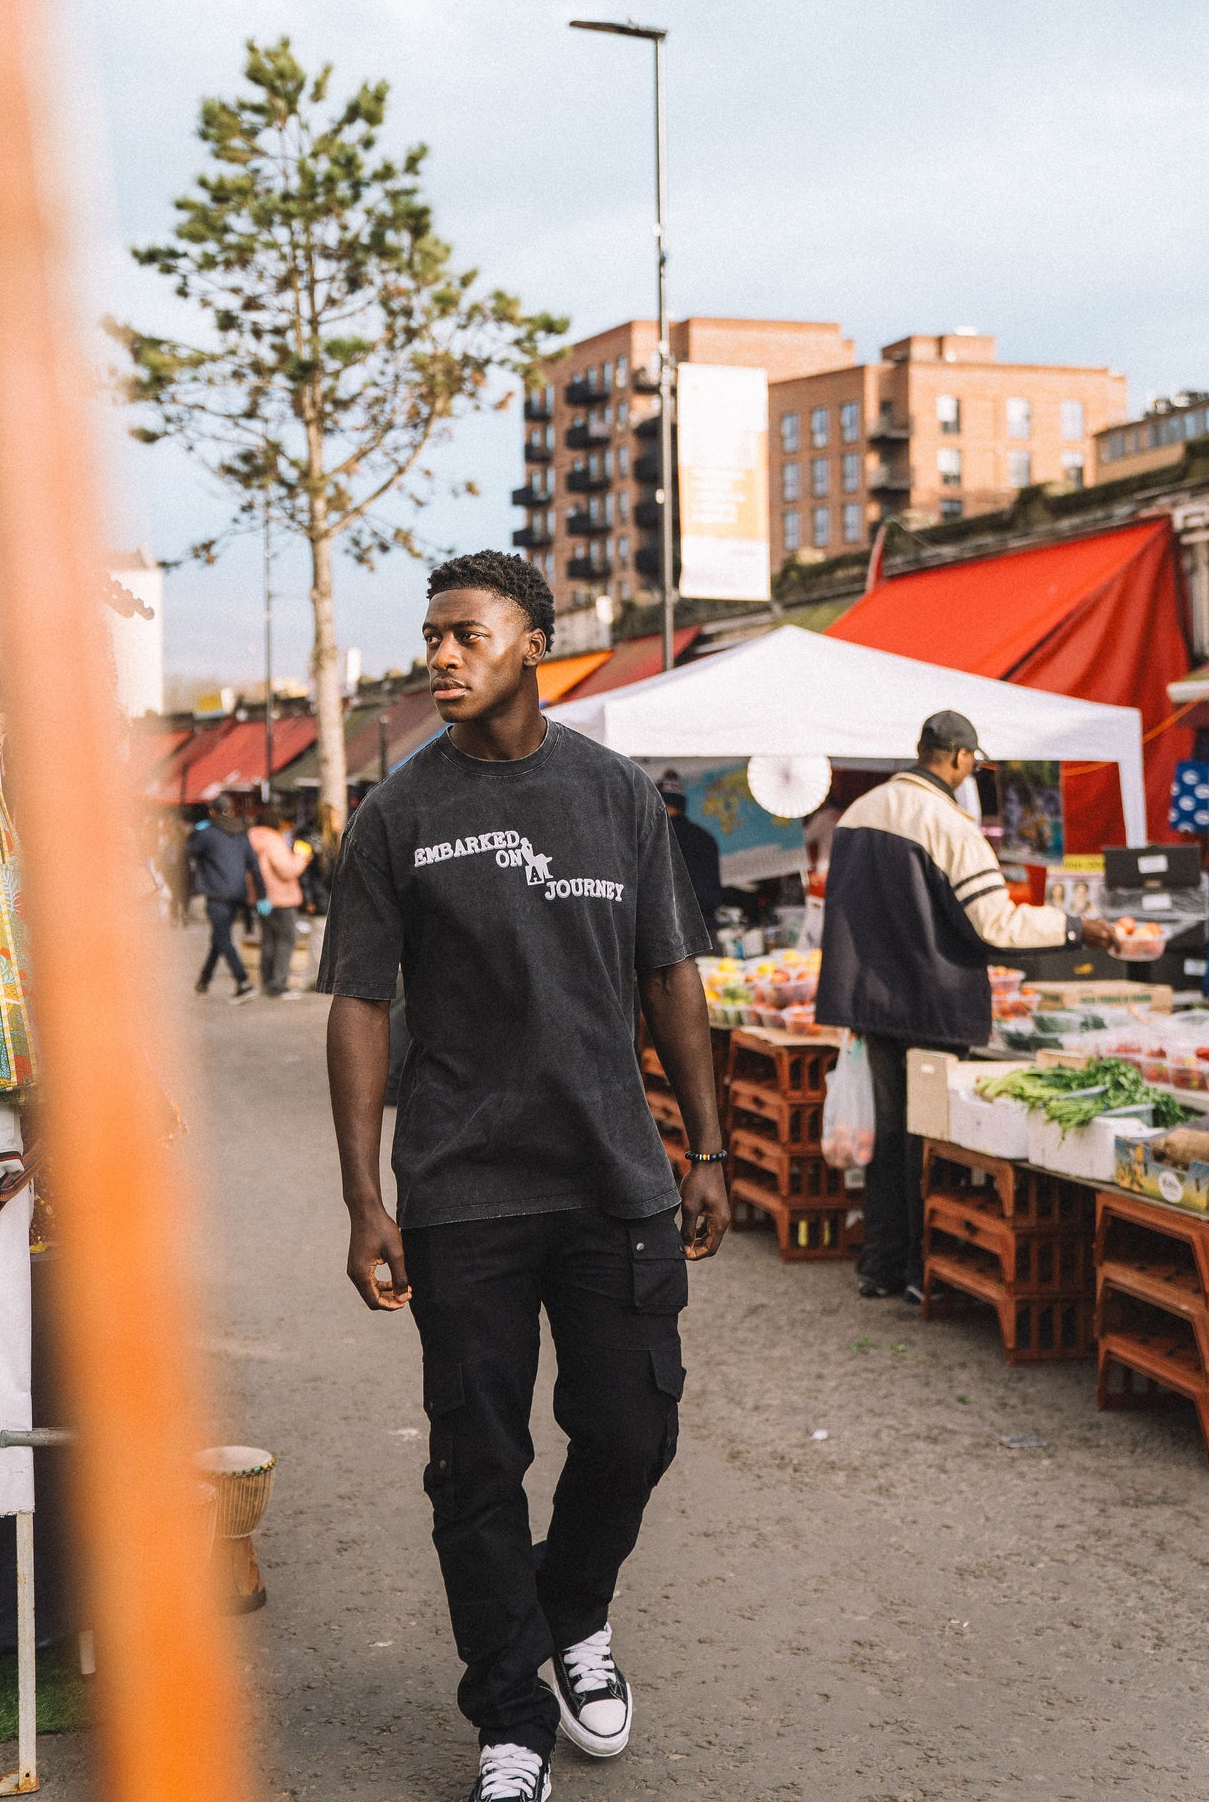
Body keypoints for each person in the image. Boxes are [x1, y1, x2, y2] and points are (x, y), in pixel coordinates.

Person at [320, 549, 729, 1802]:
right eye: (428, 636)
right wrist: (365, 1194)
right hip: (461, 1190)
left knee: (629, 1427)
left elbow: (669, 974)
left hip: (615, 1177)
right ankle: (508, 1710)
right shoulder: (395, 815)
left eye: (465, 632)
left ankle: (571, 1609)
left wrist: (705, 1148)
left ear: (531, 640)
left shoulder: (614, 797)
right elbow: (356, 1005)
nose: (439, 654)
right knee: (475, 1461)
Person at [816, 709, 1116, 1301]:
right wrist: (1080, 928)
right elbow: (996, 924)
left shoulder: (860, 812)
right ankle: (920, 1272)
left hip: (873, 1005)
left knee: (887, 1140)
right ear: (957, 758)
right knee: (924, 1143)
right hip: (933, 1002)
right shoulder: (949, 826)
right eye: (972, 764)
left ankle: (880, 1265)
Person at [187, 798, 265, 1001]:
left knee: (222, 938)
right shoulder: (242, 834)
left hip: (217, 893)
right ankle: (204, 980)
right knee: (219, 938)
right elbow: (254, 865)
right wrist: (262, 895)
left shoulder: (207, 833)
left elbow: (189, 852)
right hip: (237, 893)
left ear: (212, 812)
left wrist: (195, 833)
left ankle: (243, 981)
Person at [247, 804, 309, 997]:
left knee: (268, 940)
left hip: (262, 898)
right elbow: (286, 869)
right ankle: (278, 984)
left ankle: (267, 981)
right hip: (281, 898)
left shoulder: (251, 839)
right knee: (286, 939)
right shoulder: (273, 841)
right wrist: (301, 858)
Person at [655, 770, 722, 923]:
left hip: (668, 930)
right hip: (705, 929)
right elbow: (713, 896)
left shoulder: (656, 838)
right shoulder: (705, 838)